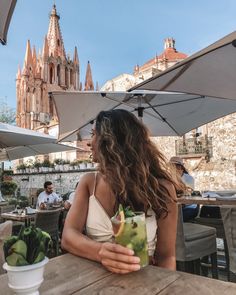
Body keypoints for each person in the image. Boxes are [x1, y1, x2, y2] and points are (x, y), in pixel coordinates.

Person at [62, 109, 181, 274]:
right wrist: (100, 252)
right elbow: (68, 236)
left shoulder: (162, 189)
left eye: (94, 134)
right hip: (92, 280)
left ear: (110, 142)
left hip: (145, 281)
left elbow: (167, 256)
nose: (90, 143)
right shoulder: (89, 182)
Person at [170, 156, 199, 222]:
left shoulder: (189, 178)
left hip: (189, 207)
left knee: (175, 219)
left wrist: (178, 178)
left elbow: (187, 193)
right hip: (176, 206)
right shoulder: (169, 177)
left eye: (173, 166)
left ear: (180, 167)